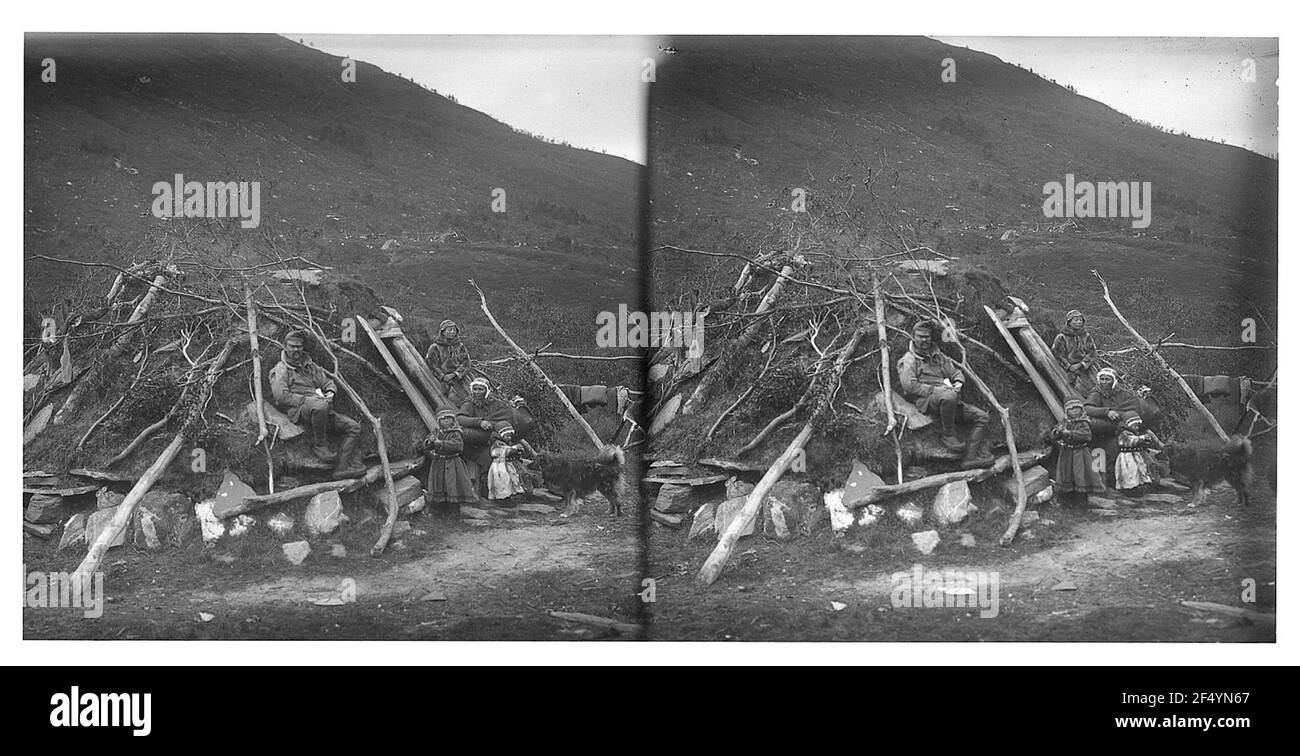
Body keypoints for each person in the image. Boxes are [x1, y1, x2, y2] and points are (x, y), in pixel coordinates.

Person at [896, 319, 993, 468]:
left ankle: (970, 458)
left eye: (927, 336)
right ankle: (949, 435)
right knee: (948, 396)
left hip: (950, 402)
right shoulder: (909, 360)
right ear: (913, 337)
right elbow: (909, 385)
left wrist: (958, 383)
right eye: (920, 336)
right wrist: (935, 390)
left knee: (982, 417)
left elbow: (956, 372)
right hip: (928, 401)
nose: (924, 340)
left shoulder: (938, 356)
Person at [269, 330, 364, 478]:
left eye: (299, 346)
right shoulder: (281, 369)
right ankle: (320, 444)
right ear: (285, 347)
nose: (296, 350)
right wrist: (308, 400)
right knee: (320, 406)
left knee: (354, 427)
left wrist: (330, 393)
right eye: (292, 346)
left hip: (322, 411)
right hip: (300, 411)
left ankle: (342, 468)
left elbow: (327, 382)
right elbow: (281, 396)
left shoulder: (310, 366)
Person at [455, 377, 514, 488]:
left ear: (487, 391)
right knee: (486, 459)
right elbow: (460, 418)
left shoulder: (496, 404)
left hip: (494, 438)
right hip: (476, 442)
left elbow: (505, 416)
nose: (477, 392)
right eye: (475, 389)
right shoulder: (469, 404)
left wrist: (495, 424)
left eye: (480, 389)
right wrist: (479, 422)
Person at [420, 409, 478, 510]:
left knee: (453, 485)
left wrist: (441, 443)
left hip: (453, 463)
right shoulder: (436, 432)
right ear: (438, 421)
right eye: (443, 419)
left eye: (448, 418)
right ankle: (441, 509)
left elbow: (458, 446)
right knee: (439, 484)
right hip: (439, 464)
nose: (446, 421)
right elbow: (426, 446)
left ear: (453, 419)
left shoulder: (456, 433)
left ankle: (454, 510)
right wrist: (430, 442)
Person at [1049, 399, 1106, 502]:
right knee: (1067, 474)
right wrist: (1057, 432)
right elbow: (1054, 435)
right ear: (1066, 411)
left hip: (1080, 453)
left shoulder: (1084, 422)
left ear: (1081, 409)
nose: (1074, 411)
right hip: (1066, 453)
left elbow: (1086, 436)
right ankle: (1068, 498)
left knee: (1080, 474)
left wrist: (1069, 433)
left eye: (1077, 408)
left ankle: (1082, 499)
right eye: (1071, 409)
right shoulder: (1064, 422)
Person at [1082, 367, 1141, 441]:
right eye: (1102, 379)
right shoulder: (1097, 394)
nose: (1104, 382)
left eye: (1107, 379)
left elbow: (1133, 406)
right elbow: (1087, 408)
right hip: (1107, 422)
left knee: (1131, 416)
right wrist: (1107, 412)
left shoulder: (1123, 393)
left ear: (1114, 381)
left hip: (1123, 419)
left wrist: (1120, 414)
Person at [425, 319, 473, 403]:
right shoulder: (435, 347)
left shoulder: (460, 346)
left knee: (470, 396)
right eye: (449, 330)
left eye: (454, 330)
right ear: (443, 332)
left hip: (460, 377)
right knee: (447, 400)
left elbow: (466, 362)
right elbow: (432, 365)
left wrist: (455, 374)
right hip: (442, 379)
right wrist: (443, 376)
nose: (452, 332)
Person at [1051, 309, 1098, 393]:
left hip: (1086, 367)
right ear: (1069, 322)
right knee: (1073, 390)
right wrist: (1069, 366)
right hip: (1068, 369)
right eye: (1076, 320)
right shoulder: (1062, 337)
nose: (1079, 322)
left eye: (1080, 320)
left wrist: (1081, 364)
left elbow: (1092, 352)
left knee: (1096, 387)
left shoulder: (1086, 336)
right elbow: (1058, 354)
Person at [1115, 416, 1163, 493]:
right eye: (1135, 425)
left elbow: (1138, 441)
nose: (1137, 428)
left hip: (1136, 455)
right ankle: (1130, 488)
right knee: (1130, 471)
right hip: (1127, 457)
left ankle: (1141, 485)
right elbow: (1130, 440)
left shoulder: (1135, 433)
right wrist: (1141, 438)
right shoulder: (1124, 434)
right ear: (1129, 425)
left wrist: (1145, 441)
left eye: (1138, 426)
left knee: (1141, 469)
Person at [485, 426, 532, 505]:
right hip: (500, 466)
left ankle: (512, 496)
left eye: (510, 436)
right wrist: (511, 449)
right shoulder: (497, 443)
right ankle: (502, 498)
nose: (509, 438)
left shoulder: (508, 443)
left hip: (509, 465)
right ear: (501, 435)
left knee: (513, 479)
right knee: (502, 481)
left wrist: (517, 451)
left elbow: (510, 451)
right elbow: (496, 453)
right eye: (507, 436)